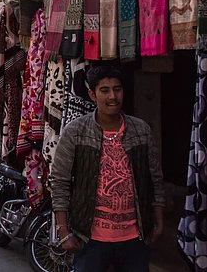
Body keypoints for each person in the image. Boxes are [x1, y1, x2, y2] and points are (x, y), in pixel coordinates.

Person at [50, 67, 165, 272]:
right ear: (92, 95)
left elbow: (155, 179)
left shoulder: (141, 130)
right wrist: (63, 231)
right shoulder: (76, 132)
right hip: (90, 239)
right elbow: (60, 182)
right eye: (105, 90)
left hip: (135, 238)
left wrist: (158, 221)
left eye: (117, 89)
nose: (112, 96)